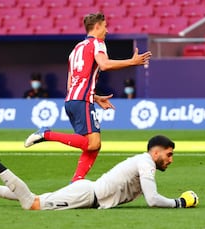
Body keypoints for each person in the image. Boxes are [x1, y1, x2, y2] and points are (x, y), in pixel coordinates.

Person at [24, 12, 152, 183]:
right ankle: (46, 134)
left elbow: (71, 82)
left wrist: (95, 97)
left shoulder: (76, 49)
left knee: (93, 145)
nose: (107, 30)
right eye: (105, 26)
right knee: (93, 143)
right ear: (97, 26)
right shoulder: (98, 43)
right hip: (81, 101)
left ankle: (76, 182)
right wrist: (131, 62)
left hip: (72, 100)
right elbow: (104, 64)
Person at [0, 135, 199, 210]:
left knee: (34, 197)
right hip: (87, 196)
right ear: (156, 153)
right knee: (31, 204)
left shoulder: (143, 162)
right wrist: (180, 203)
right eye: (168, 154)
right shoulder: (146, 163)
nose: (171, 160)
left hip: (88, 194)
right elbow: (153, 200)